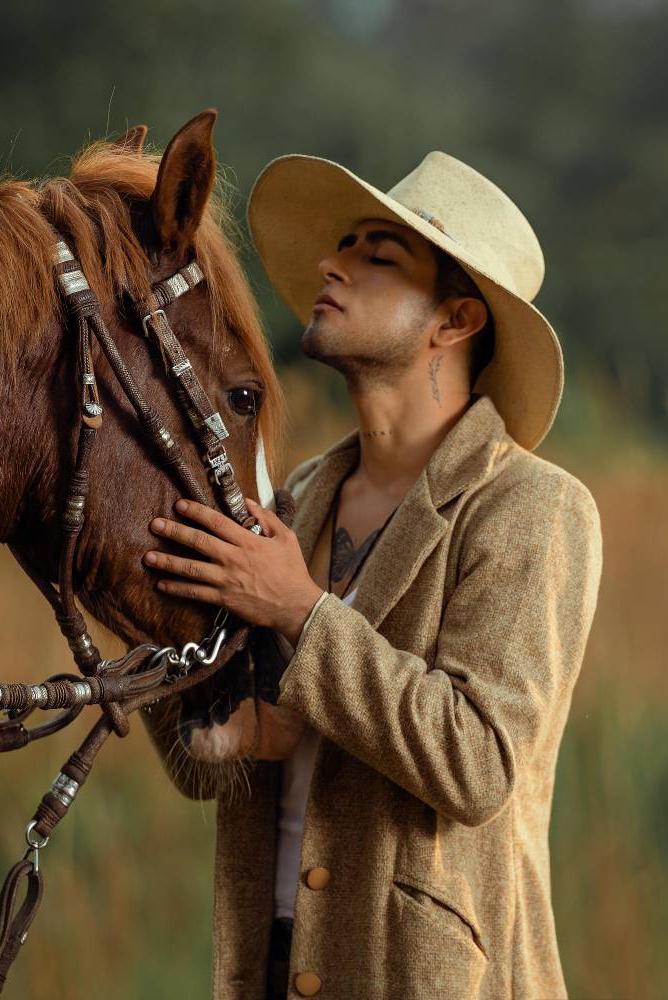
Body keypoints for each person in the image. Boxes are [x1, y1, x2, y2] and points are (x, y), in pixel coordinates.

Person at [139, 150, 603, 999]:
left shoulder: (533, 509)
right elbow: (202, 773)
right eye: (342, 246)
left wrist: (298, 610)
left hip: (423, 979)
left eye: (377, 255)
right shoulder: (298, 497)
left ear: (455, 321)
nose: (331, 264)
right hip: (262, 969)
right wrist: (168, 633)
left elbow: (477, 763)